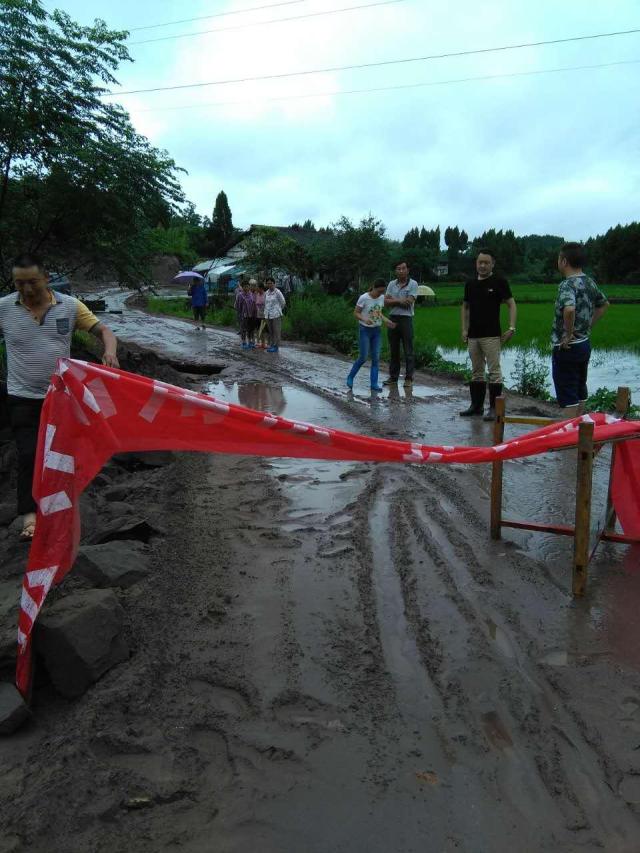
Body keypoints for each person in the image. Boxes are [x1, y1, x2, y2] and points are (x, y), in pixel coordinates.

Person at [0, 253, 119, 540]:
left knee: (61, 454)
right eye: (20, 283)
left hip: (61, 397)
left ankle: (62, 507)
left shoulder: (69, 306)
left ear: (46, 277)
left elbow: (104, 331)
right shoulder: (3, 308)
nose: (27, 290)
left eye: (33, 283)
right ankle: (29, 515)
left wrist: (110, 351)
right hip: (21, 395)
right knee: (29, 454)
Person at [551, 242, 609, 416]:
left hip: (568, 347)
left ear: (564, 261)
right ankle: (580, 431)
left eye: (559, 258)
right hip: (584, 343)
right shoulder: (589, 281)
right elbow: (604, 304)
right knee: (579, 388)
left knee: (568, 395)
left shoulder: (567, 285)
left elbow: (569, 309)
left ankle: (567, 439)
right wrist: (588, 325)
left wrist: (568, 335)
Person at [459, 248, 517, 421]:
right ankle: (476, 407)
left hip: (491, 335)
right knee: (476, 371)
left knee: (494, 372)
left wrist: (512, 327)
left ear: (492, 264)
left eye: (486, 262)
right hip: (473, 335)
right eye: (480, 262)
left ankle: (493, 408)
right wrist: (464, 329)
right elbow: (465, 307)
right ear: (476, 263)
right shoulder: (470, 284)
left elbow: (512, 304)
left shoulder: (499, 282)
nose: (482, 265)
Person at [347, 279, 396, 392]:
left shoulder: (381, 298)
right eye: (379, 291)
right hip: (365, 330)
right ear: (374, 287)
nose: (380, 294)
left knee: (376, 358)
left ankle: (374, 384)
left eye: (382, 292)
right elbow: (356, 313)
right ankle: (350, 377)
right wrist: (364, 319)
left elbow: (378, 312)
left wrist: (386, 320)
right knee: (363, 357)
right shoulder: (364, 298)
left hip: (376, 331)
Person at [384, 260, 419, 386]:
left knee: (408, 350)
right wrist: (400, 300)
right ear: (395, 271)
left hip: (406, 319)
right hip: (392, 318)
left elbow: (408, 302)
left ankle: (408, 378)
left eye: (403, 268)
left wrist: (393, 300)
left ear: (407, 270)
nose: (401, 271)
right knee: (394, 350)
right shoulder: (391, 284)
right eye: (398, 269)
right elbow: (385, 303)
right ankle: (393, 377)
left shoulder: (413, 284)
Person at [264, 276, 286, 352]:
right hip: (268, 315)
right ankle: (272, 345)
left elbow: (283, 302)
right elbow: (265, 303)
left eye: (271, 283)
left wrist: (278, 309)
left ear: (274, 283)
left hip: (276, 315)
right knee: (271, 331)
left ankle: (276, 346)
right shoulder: (266, 293)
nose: (269, 285)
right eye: (268, 283)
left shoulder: (278, 292)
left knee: (276, 331)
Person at [234, 279, 256, 349]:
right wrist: (241, 314)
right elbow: (237, 306)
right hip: (243, 315)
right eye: (244, 287)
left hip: (251, 315)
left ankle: (250, 341)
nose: (246, 288)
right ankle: (243, 342)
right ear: (242, 287)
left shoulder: (251, 294)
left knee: (250, 329)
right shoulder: (240, 295)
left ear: (249, 287)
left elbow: (253, 304)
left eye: (247, 286)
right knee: (243, 329)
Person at [255, 282, 268, 349]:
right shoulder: (257, 294)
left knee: (264, 330)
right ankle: (261, 343)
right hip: (258, 315)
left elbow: (267, 305)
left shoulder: (266, 294)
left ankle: (264, 343)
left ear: (261, 288)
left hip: (264, 315)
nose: (256, 288)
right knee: (259, 329)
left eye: (257, 287)